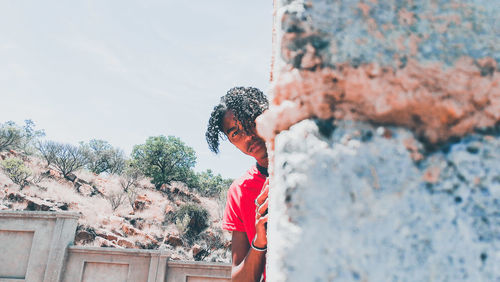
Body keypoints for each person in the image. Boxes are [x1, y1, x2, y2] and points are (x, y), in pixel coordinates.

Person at [206, 86, 270, 281]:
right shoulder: (240, 191)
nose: (249, 136)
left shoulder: (314, 159)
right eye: (236, 134)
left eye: (250, 122)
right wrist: (260, 240)